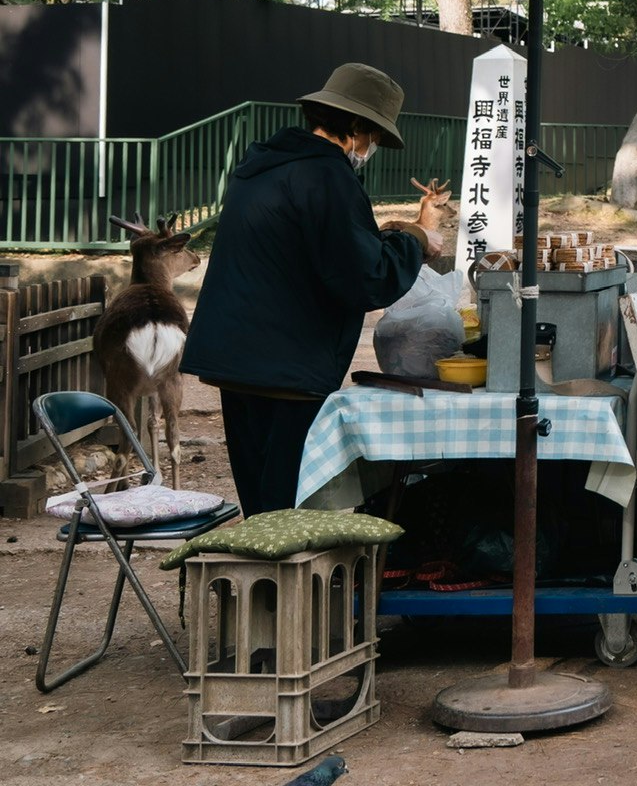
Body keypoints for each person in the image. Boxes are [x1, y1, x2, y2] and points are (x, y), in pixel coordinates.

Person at [183, 63, 453, 516]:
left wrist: (401, 234)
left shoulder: (263, 167)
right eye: (374, 137)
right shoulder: (326, 176)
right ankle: (285, 586)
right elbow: (366, 277)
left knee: (260, 506)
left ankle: (266, 587)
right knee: (289, 508)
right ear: (356, 128)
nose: (372, 148)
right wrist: (418, 240)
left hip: (236, 360)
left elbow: (311, 252)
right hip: (287, 368)